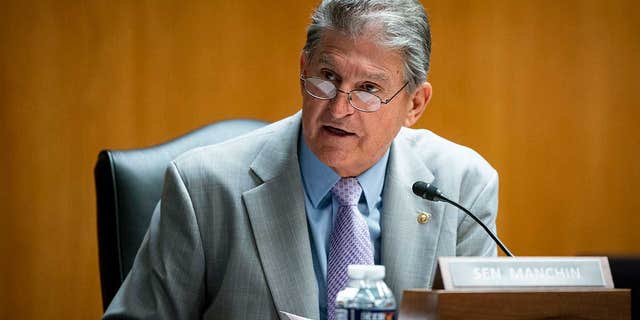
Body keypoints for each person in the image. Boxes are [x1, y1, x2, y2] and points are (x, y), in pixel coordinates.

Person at [103, 0, 499, 319]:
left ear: (414, 104)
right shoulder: (204, 187)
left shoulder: (461, 186)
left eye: (368, 89)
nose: (339, 107)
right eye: (327, 77)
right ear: (303, 70)